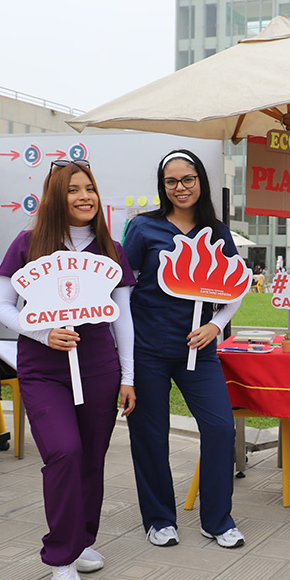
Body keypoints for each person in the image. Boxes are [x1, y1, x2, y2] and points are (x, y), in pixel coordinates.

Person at [0, 159, 136, 580]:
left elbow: (124, 319)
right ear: (57, 196)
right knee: (64, 452)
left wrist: (128, 376)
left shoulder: (110, 249)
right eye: (74, 189)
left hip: (97, 367)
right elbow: (3, 306)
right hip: (42, 369)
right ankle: (60, 556)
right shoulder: (28, 243)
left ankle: (83, 540)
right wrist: (42, 331)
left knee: (91, 458)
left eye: (89, 188)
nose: (84, 196)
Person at [123, 149, 245, 549]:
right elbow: (123, 289)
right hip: (148, 348)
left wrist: (215, 325)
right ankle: (159, 519)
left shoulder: (218, 233)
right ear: (162, 186)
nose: (180, 188)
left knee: (220, 428)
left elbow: (235, 288)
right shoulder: (143, 228)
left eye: (187, 179)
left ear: (201, 181)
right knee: (150, 434)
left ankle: (217, 519)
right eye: (171, 181)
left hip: (199, 349)